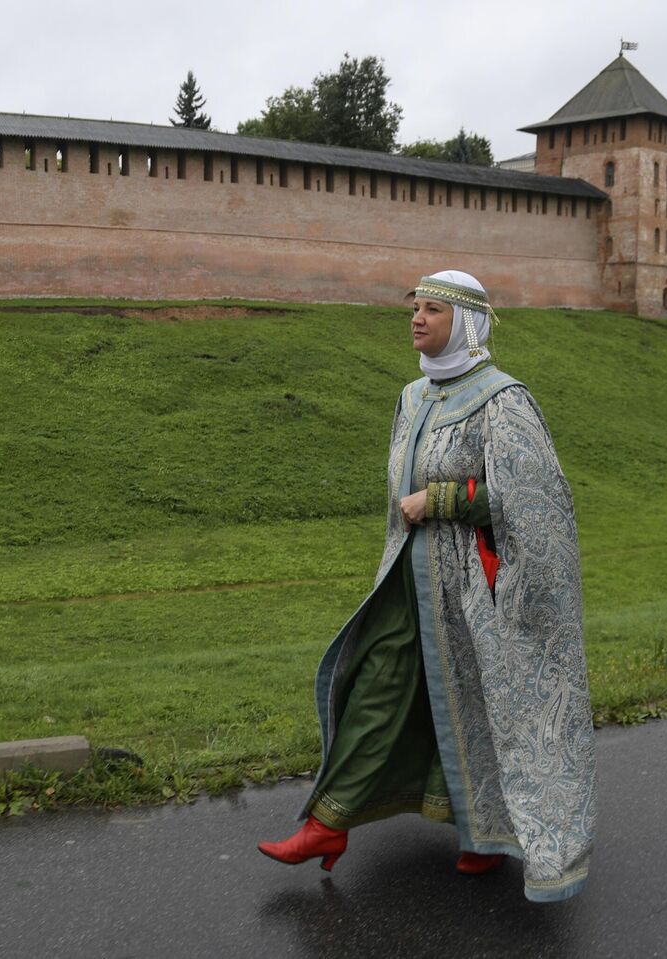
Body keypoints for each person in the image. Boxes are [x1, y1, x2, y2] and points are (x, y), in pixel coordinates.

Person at [257, 270, 596, 902]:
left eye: (432, 310)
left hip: (475, 592)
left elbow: (536, 502)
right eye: (415, 308)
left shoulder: (502, 400)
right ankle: (326, 825)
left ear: (464, 323)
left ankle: (484, 838)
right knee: (376, 688)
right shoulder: (413, 396)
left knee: (480, 706)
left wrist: (444, 498)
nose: (416, 319)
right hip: (409, 581)